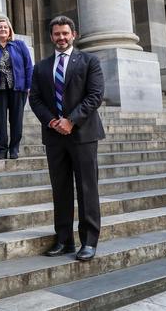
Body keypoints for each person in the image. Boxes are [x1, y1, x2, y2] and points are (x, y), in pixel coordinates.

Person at [28, 15, 105, 262]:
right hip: (54, 136)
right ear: (51, 37)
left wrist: (71, 120)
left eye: (65, 33)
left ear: (74, 34)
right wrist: (52, 121)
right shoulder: (41, 67)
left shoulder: (89, 61)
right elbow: (35, 99)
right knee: (60, 189)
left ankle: (89, 242)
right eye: (57, 34)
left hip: (83, 134)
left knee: (87, 188)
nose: (61, 37)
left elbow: (95, 96)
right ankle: (64, 240)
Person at [0, 18, 33, 159]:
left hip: (18, 88)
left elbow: (28, 66)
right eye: (0, 28)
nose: (3, 29)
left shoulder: (19, 45)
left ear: (10, 30)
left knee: (16, 119)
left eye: (5, 27)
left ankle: (14, 148)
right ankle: (2, 148)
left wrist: (29, 86)